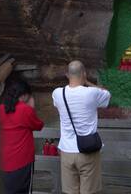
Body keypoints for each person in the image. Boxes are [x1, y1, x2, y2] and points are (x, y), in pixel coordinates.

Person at [52, 61, 111, 194]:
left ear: (67, 74)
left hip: (66, 150)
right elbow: (107, 94)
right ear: (84, 74)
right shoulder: (92, 93)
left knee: (70, 192)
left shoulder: (57, 93)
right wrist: (87, 82)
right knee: (89, 191)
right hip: (88, 150)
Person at [0, 76, 44, 194]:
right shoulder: (25, 110)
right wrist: (32, 107)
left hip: (5, 160)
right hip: (22, 160)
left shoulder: (1, 109)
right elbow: (38, 125)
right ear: (24, 95)